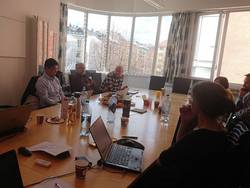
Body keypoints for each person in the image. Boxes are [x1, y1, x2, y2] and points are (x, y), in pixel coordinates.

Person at [129, 82, 235, 188]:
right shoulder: (221, 133)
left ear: (199, 105)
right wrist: (184, 122)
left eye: (191, 99)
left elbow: (162, 161)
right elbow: (180, 149)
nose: (190, 102)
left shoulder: (197, 138)